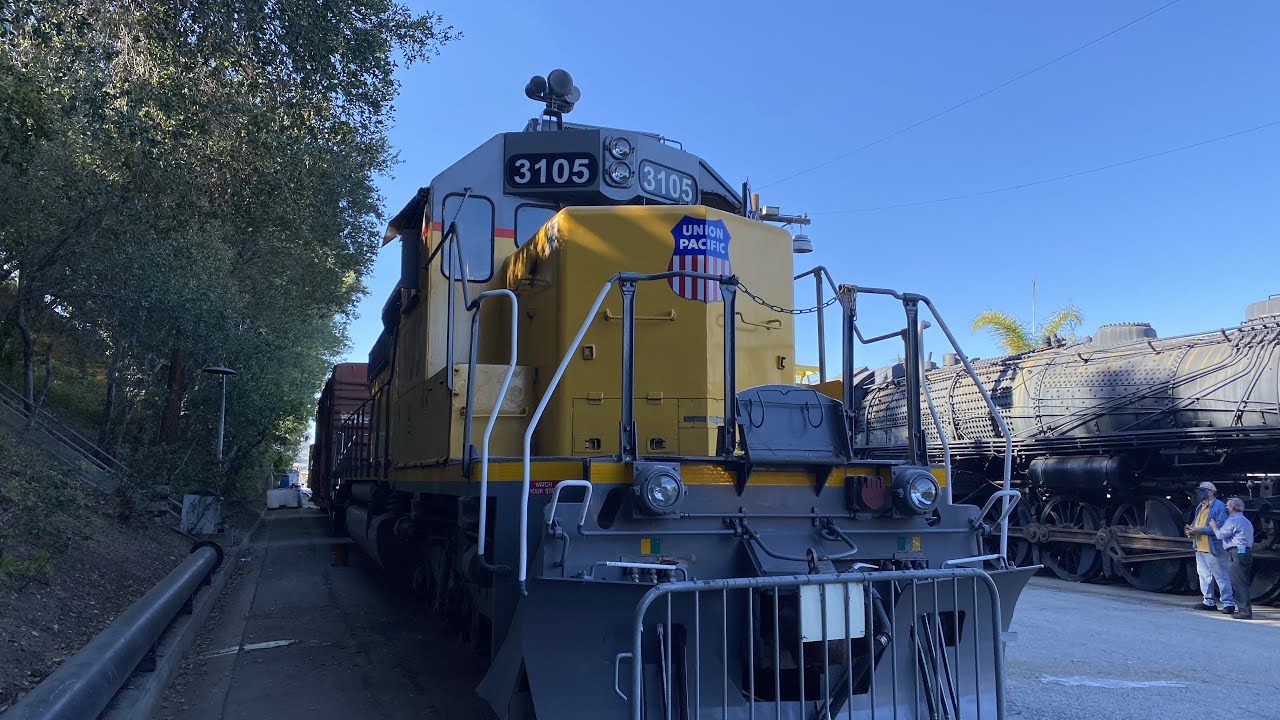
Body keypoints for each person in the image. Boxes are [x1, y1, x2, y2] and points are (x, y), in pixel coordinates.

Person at [1184, 481, 1233, 613]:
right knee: (1204, 576)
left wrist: (1199, 530)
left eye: (1203, 490)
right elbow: (1196, 522)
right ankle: (1208, 601)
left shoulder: (1219, 506)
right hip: (1200, 546)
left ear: (1212, 492)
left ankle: (1228, 603)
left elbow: (1221, 526)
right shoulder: (1201, 506)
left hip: (1214, 547)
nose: (1200, 492)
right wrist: (1191, 529)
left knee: (1221, 576)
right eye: (1199, 490)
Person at [1210, 498, 1256, 620]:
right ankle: (1245, 609)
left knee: (1238, 583)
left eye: (1227, 506)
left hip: (1235, 553)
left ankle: (1244, 612)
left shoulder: (1233, 520)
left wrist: (1214, 526)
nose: (1226, 508)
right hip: (1245, 552)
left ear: (1232, 508)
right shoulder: (1246, 521)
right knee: (1243, 582)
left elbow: (1220, 535)